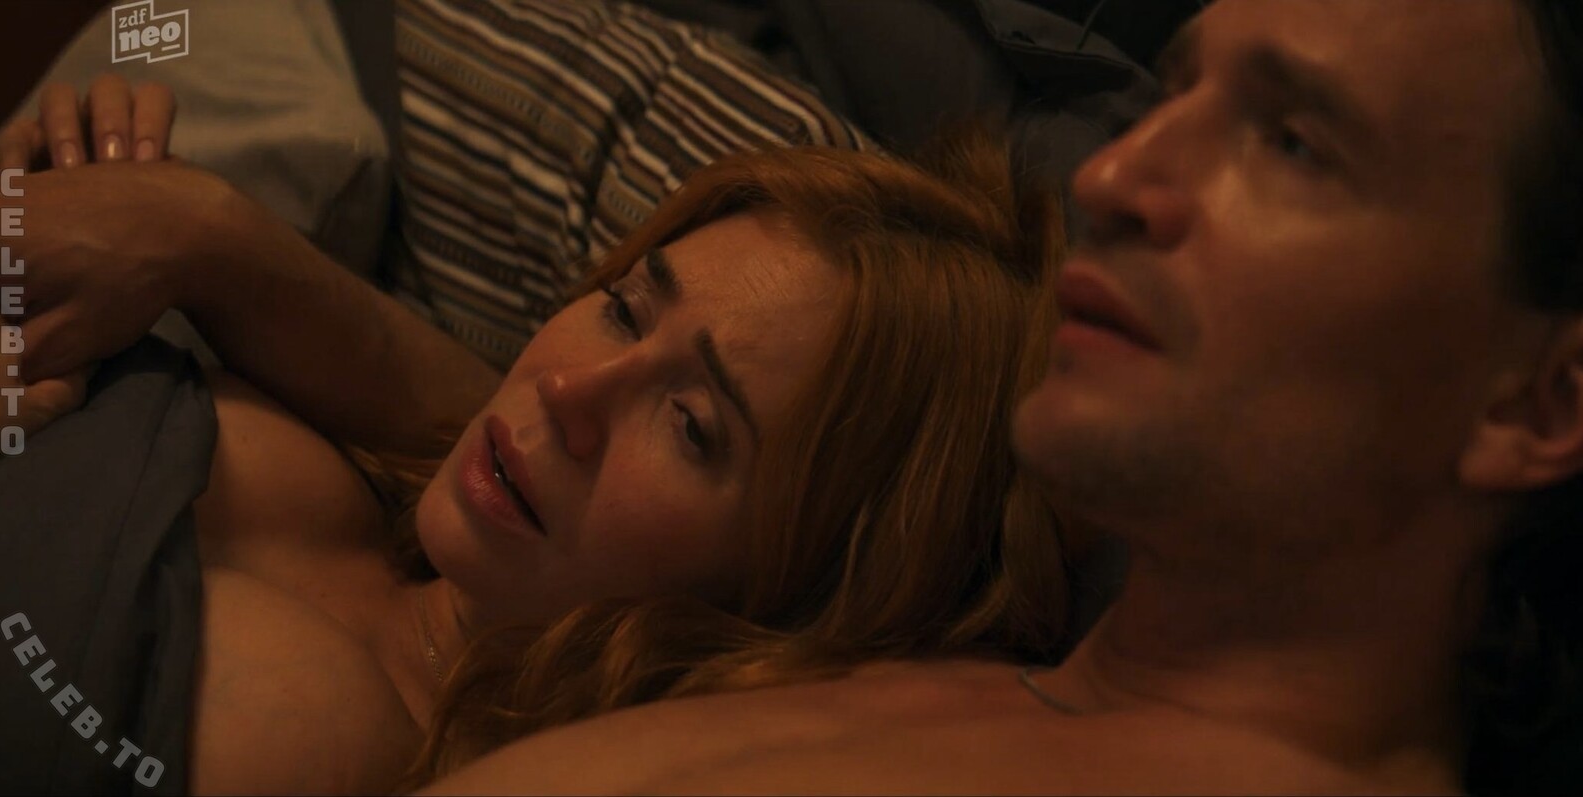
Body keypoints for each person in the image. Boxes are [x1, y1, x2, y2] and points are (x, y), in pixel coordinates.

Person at [406, 0, 1583, 793]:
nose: (1112, 176)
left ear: (1534, 406)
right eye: (1174, 97)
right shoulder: (892, 661)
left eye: (1291, 145)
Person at [0, 80, 1071, 792]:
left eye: (691, 425)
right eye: (626, 309)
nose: (568, 390)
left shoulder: (339, 744)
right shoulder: (360, 477)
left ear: (798, 596)